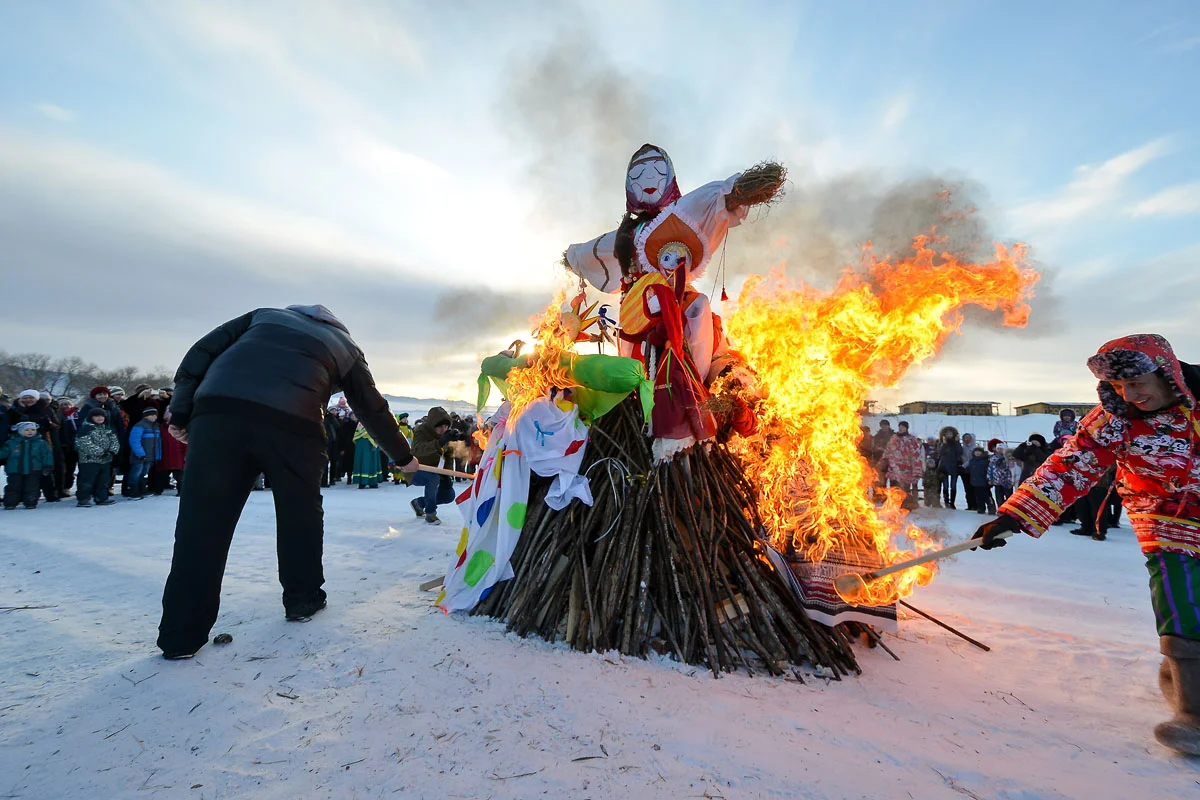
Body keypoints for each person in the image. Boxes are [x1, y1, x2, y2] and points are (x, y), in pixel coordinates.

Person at [972, 334, 1200, 755]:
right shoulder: (1114, 419)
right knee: (1182, 603)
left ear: (1166, 371)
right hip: (1166, 525)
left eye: (1137, 383)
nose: (1130, 396)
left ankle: (1181, 676)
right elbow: (1068, 465)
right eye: (1118, 388)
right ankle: (1195, 713)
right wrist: (1014, 515)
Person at [156, 305, 418, 660]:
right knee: (300, 513)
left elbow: (200, 353)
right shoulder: (346, 348)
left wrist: (183, 409)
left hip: (219, 412)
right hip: (295, 423)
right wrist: (403, 457)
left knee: (201, 521)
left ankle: (180, 634)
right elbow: (371, 408)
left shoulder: (263, 316)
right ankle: (303, 598)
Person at [409, 406, 457, 524]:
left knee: (448, 495)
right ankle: (430, 514)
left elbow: (448, 457)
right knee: (432, 477)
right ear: (433, 424)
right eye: (440, 426)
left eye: (446, 426)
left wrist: (447, 474)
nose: (443, 429)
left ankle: (419, 503)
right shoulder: (421, 431)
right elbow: (417, 450)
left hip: (435, 470)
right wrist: (439, 443)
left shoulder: (446, 435)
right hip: (415, 469)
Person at [74, 407, 121, 507]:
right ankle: (83, 499)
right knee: (87, 481)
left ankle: (101, 498)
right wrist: (100, 452)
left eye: (102, 416)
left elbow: (115, 441)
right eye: (96, 416)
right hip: (89, 460)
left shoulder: (107, 429)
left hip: (106, 460)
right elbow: (84, 443)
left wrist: (112, 451)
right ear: (91, 417)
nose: (100, 418)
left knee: (103, 481)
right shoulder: (85, 429)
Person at [1, 421, 53, 509]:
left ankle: (31, 502)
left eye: (33, 430)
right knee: (13, 487)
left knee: (32, 487)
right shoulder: (11, 443)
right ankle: (10, 503)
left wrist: (47, 465)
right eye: (27, 430)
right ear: (20, 431)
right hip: (15, 469)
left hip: (33, 469)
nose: (30, 432)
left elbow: (46, 455)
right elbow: (4, 452)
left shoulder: (40, 443)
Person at [881, 420, 923, 510]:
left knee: (904, 488)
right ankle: (893, 505)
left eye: (903, 427)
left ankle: (905, 505)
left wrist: (916, 469)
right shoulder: (894, 438)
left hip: (905, 469)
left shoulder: (911, 439)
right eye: (900, 426)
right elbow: (887, 451)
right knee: (893, 487)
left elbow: (916, 455)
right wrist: (883, 462)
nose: (901, 428)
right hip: (894, 468)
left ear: (906, 428)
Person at [127, 408, 162, 500]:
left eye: (155, 415)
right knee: (136, 473)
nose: (154, 417)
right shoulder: (139, 426)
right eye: (151, 415)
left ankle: (141, 489)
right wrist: (140, 453)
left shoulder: (156, 426)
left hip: (150, 456)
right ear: (146, 416)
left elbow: (158, 443)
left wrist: (157, 455)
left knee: (144, 473)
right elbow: (134, 441)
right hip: (140, 456)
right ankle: (133, 490)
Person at [936, 426, 963, 509]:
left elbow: (960, 452)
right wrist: (944, 444)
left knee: (953, 485)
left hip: (954, 466)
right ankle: (946, 501)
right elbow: (940, 453)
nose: (949, 435)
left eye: (950, 434)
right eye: (947, 434)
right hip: (944, 467)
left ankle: (952, 502)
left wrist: (958, 442)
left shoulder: (956, 443)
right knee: (945, 485)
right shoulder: (942, 443)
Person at [965, 445, 995, 514]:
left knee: (987, 496)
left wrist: (989, 480)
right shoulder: (972, 461)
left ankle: (991, 508)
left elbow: (989, 471)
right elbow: (968, 470)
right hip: (975, 482)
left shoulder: (985, 461)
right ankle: (981, 508)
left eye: (979, 451)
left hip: (984, 482)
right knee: (978, 497)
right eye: (976, 451)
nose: (977, 453)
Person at [986, 439, 1014, 508]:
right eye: (998, 449)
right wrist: (990, 479)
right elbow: (990, 469)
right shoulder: (993, 458)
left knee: (1009, 497)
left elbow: (1012, 470)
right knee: (999, 497)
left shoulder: (1009, 458)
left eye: (1002, 449)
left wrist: (1011, 480)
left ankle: (1009, 509)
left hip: (1007, 481)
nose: (1000, 450)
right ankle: (1000, 509)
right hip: (997, 481)